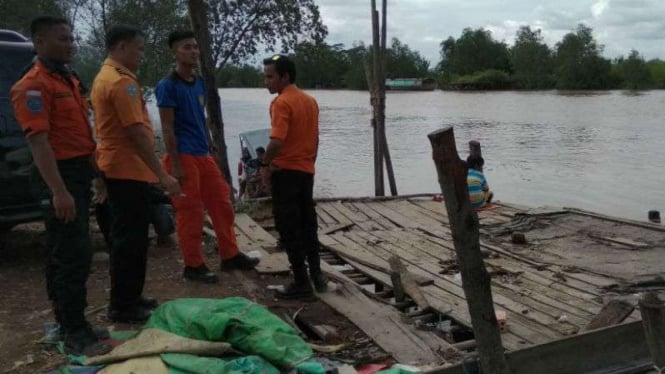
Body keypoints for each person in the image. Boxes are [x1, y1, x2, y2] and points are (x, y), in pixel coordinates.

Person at [10, 16, 111, 356]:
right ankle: (74, 331)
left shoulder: (68, 79)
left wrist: (95, 173)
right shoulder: (33, 86)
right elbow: (40, 144)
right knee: (73, 255)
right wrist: (58, 191)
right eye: (62, 39)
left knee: (65, 252)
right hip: (57, 175)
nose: (70, 44)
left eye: (72, 38)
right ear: (39, 43)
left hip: (77, 171)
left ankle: (67, 321)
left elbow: (80, 133)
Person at [91, 25, 181, 323]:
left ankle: (131, 296)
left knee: (132, 239)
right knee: (129, 241)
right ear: (120, 47)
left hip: (122, 169)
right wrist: (162, 174)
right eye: (138, 48)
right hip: (125, 170)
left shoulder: (108, 76)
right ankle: (122, 306)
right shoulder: (120, 83)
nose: (142, 55)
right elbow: (136, 133)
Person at [155, 30, 258, 283]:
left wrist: (210, 146)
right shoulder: (168, 85)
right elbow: (167, 127)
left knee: (222, 203)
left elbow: (200, 118)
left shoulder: (199, 82)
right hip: (183, 156)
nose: (192, 51)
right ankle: (193, 265)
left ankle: (229, 254)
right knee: (191, 212)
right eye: (186, 47)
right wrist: (175, 165)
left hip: (202, 153)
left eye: (195, 47)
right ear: (175, 52)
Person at [262, 54, 327, 300]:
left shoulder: (281, 103)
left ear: (284, 77)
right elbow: (316, 138)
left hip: (285, 172)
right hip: (305, 171)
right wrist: (309, 162)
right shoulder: (309, 101)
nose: (266, 82)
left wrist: (264, 164)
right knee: (308, 224)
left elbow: (277, 140)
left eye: (270, 77)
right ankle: (317, 276)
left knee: (288, 227)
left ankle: (301, 281)